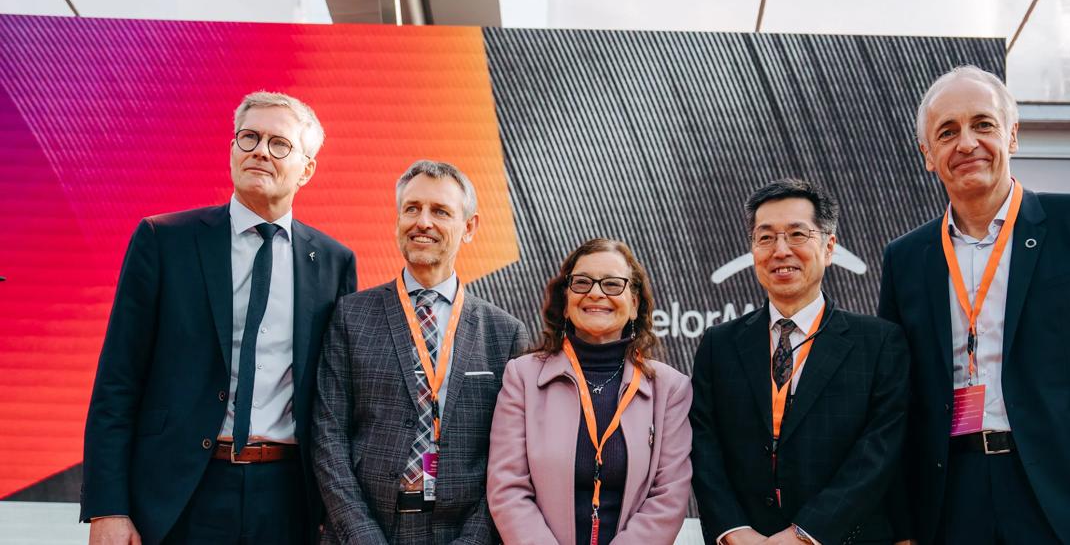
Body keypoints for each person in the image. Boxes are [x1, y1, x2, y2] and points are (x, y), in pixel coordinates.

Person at [879, 65, 1070, 545]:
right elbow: (896, 406)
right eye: (947, 132)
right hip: (950, 501)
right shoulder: (906, 259)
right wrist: (900, 528)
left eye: (983, 124)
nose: (967, 143)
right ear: (927, 156)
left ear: (1012, 135)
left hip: (1067, 498)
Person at [80, 91, 358, 544]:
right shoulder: (164, 241)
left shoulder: (332, 262)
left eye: (279, 143)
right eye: (248, 138)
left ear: (307, 168)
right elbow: (117, 382)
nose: (260, 151)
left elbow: (335, 398)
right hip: (178, 494)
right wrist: (108, 507)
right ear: (232, 149)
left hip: (287, 500)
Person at [313, 159, 528, 544]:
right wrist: (360, 534)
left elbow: (511, 458)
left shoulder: (504, 334)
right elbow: (327, 434)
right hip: (366, 528)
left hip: (459, 531)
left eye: (440, 211)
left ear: (469, 227)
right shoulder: (350, 315)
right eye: (411, 208)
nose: (422, 222)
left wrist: (474, 539)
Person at [690, 180, 909, 545]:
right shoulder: (720, 344)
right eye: (766, 238)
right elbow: (702, 445)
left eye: (797, 234)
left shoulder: (880, 342)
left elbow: (878, 453)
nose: (780, 251)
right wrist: (734, 531)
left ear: (829, 247)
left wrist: (805, 534)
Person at [488, 238, 693, 545]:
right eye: (582, 283)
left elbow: (668, 498)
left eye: (613, 284)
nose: (596, 293)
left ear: (635, 304)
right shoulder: (522, 377)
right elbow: (508, 488)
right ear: (566, 300)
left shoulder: (671, 389)